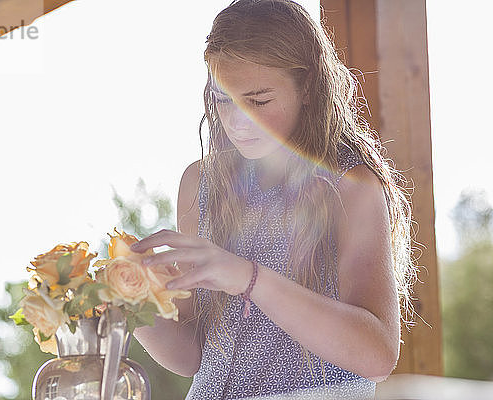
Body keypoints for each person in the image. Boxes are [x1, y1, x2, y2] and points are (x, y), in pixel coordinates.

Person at [131, 0, 416, 398]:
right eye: (223, 99)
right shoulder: (201, 183)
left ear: (308, 88)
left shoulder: (351, 185)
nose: (236, 122)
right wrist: (132, 305)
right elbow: (191, 357)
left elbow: (378, 355)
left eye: (258, 100)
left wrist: (249, 278)